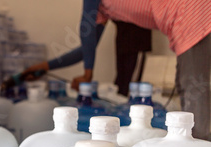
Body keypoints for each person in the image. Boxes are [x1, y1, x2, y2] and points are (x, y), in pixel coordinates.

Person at [23, 0, 211, 139]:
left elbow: (85, 31)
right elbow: (86, 47)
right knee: (190, 86)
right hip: (190, 13)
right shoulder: (103, 8)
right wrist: (44, 67)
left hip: (191, 12)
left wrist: (88, 73)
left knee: (193, 88)